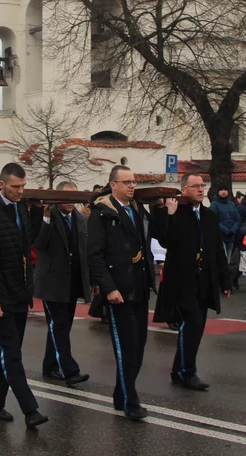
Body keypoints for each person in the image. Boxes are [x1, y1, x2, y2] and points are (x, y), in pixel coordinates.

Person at [0, 162, 48, 428]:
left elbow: (26, 245)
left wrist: (38, 213)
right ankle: (30, 410)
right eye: (15, 187)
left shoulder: (22, 208)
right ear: (1, 184)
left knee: (5, 351)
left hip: (19, 294)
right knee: (11, 354)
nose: (20, 191)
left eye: (23, 187)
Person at [152, 173, 230, 391]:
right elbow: (164, 239)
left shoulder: (209, 215)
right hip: (183, 282)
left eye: (202, 185)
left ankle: (178, 370)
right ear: (183, 189)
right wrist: (169, 214)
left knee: (196, 326)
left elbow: (217, 250)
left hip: (204, 280)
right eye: (195, 186)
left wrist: (226, 281)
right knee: (192, 324)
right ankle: (188, 371)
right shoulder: (177, 213)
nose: (200, 189)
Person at [88, 165, 154, 421]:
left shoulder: (137, 209)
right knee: (126, 348)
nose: (132, 186)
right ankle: (130, 401)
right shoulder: (102, 213)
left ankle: (120, 394)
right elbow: (95, 255)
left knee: (138, 347)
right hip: (119, 291)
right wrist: (109, 288)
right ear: (113, 185)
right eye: (127, 182)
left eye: (134, 182)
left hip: (138, 287)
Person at [33, 181, 91, 385]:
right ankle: (69, 370)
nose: (70, 201)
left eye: (73, 196)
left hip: (72, 282)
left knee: (61, 327)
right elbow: (39, 244)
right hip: (52, 282)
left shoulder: (81, 218)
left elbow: (85, 251)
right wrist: (46, 219)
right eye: (66, 196)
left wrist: (90, 280)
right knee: (58, 325)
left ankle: (50, 367)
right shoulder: (47, 216)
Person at [210, 187, 241, 260]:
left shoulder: (232, 204)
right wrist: (226, 230)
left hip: (231, 236)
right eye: (221, 190)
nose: (223, 192)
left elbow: (237, 219)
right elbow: (213, 220)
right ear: (218, 192)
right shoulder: (214, 205)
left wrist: (233, 229)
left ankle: (227, 270)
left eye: (225, 190)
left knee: (229, 257)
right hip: (220, 236)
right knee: (223, 257)